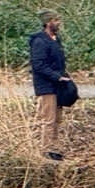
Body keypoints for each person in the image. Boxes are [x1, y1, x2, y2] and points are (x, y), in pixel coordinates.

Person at [29, 9, 70, 160]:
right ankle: (46, 151)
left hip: (58, 85)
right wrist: (57, 77)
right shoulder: (39, 41)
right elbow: (38, 65)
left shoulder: (56, 39)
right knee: (48, 120)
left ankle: (55, 148)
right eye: (55, 20)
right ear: (47, 22)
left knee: (57, 119)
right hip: (46, 86)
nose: (59, 23)